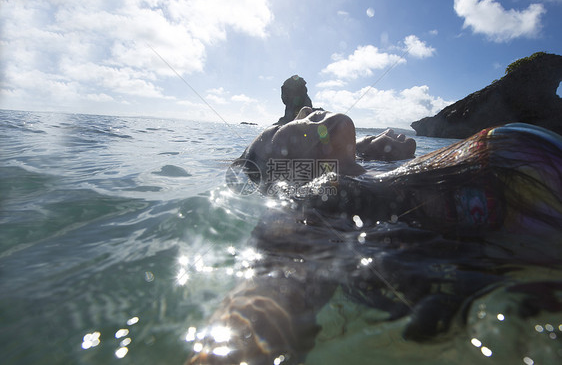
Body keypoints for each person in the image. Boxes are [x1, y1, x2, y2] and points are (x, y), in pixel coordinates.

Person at [188, 112, 562, 363]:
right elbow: (260, 309)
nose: (311, 113)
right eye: (281, 129)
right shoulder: (316, 205)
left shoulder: (367, 177)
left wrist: (364, 152)